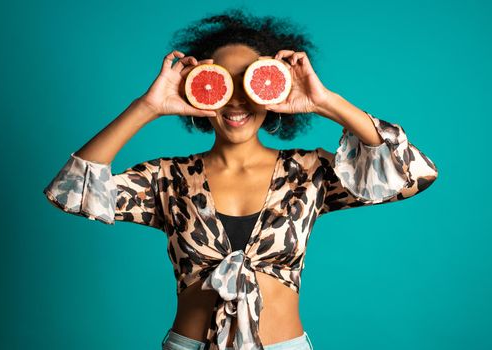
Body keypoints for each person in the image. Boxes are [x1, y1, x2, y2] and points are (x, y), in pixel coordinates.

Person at [42, 9, 439, 350]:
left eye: (250, 81)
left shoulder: (309, 172)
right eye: (222, 82)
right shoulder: (168, 179)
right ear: (200, 92)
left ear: (273, 87)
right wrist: (147, 107)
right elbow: (70, 192)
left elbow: (413, 174)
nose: (236, 100)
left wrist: (323, 101)